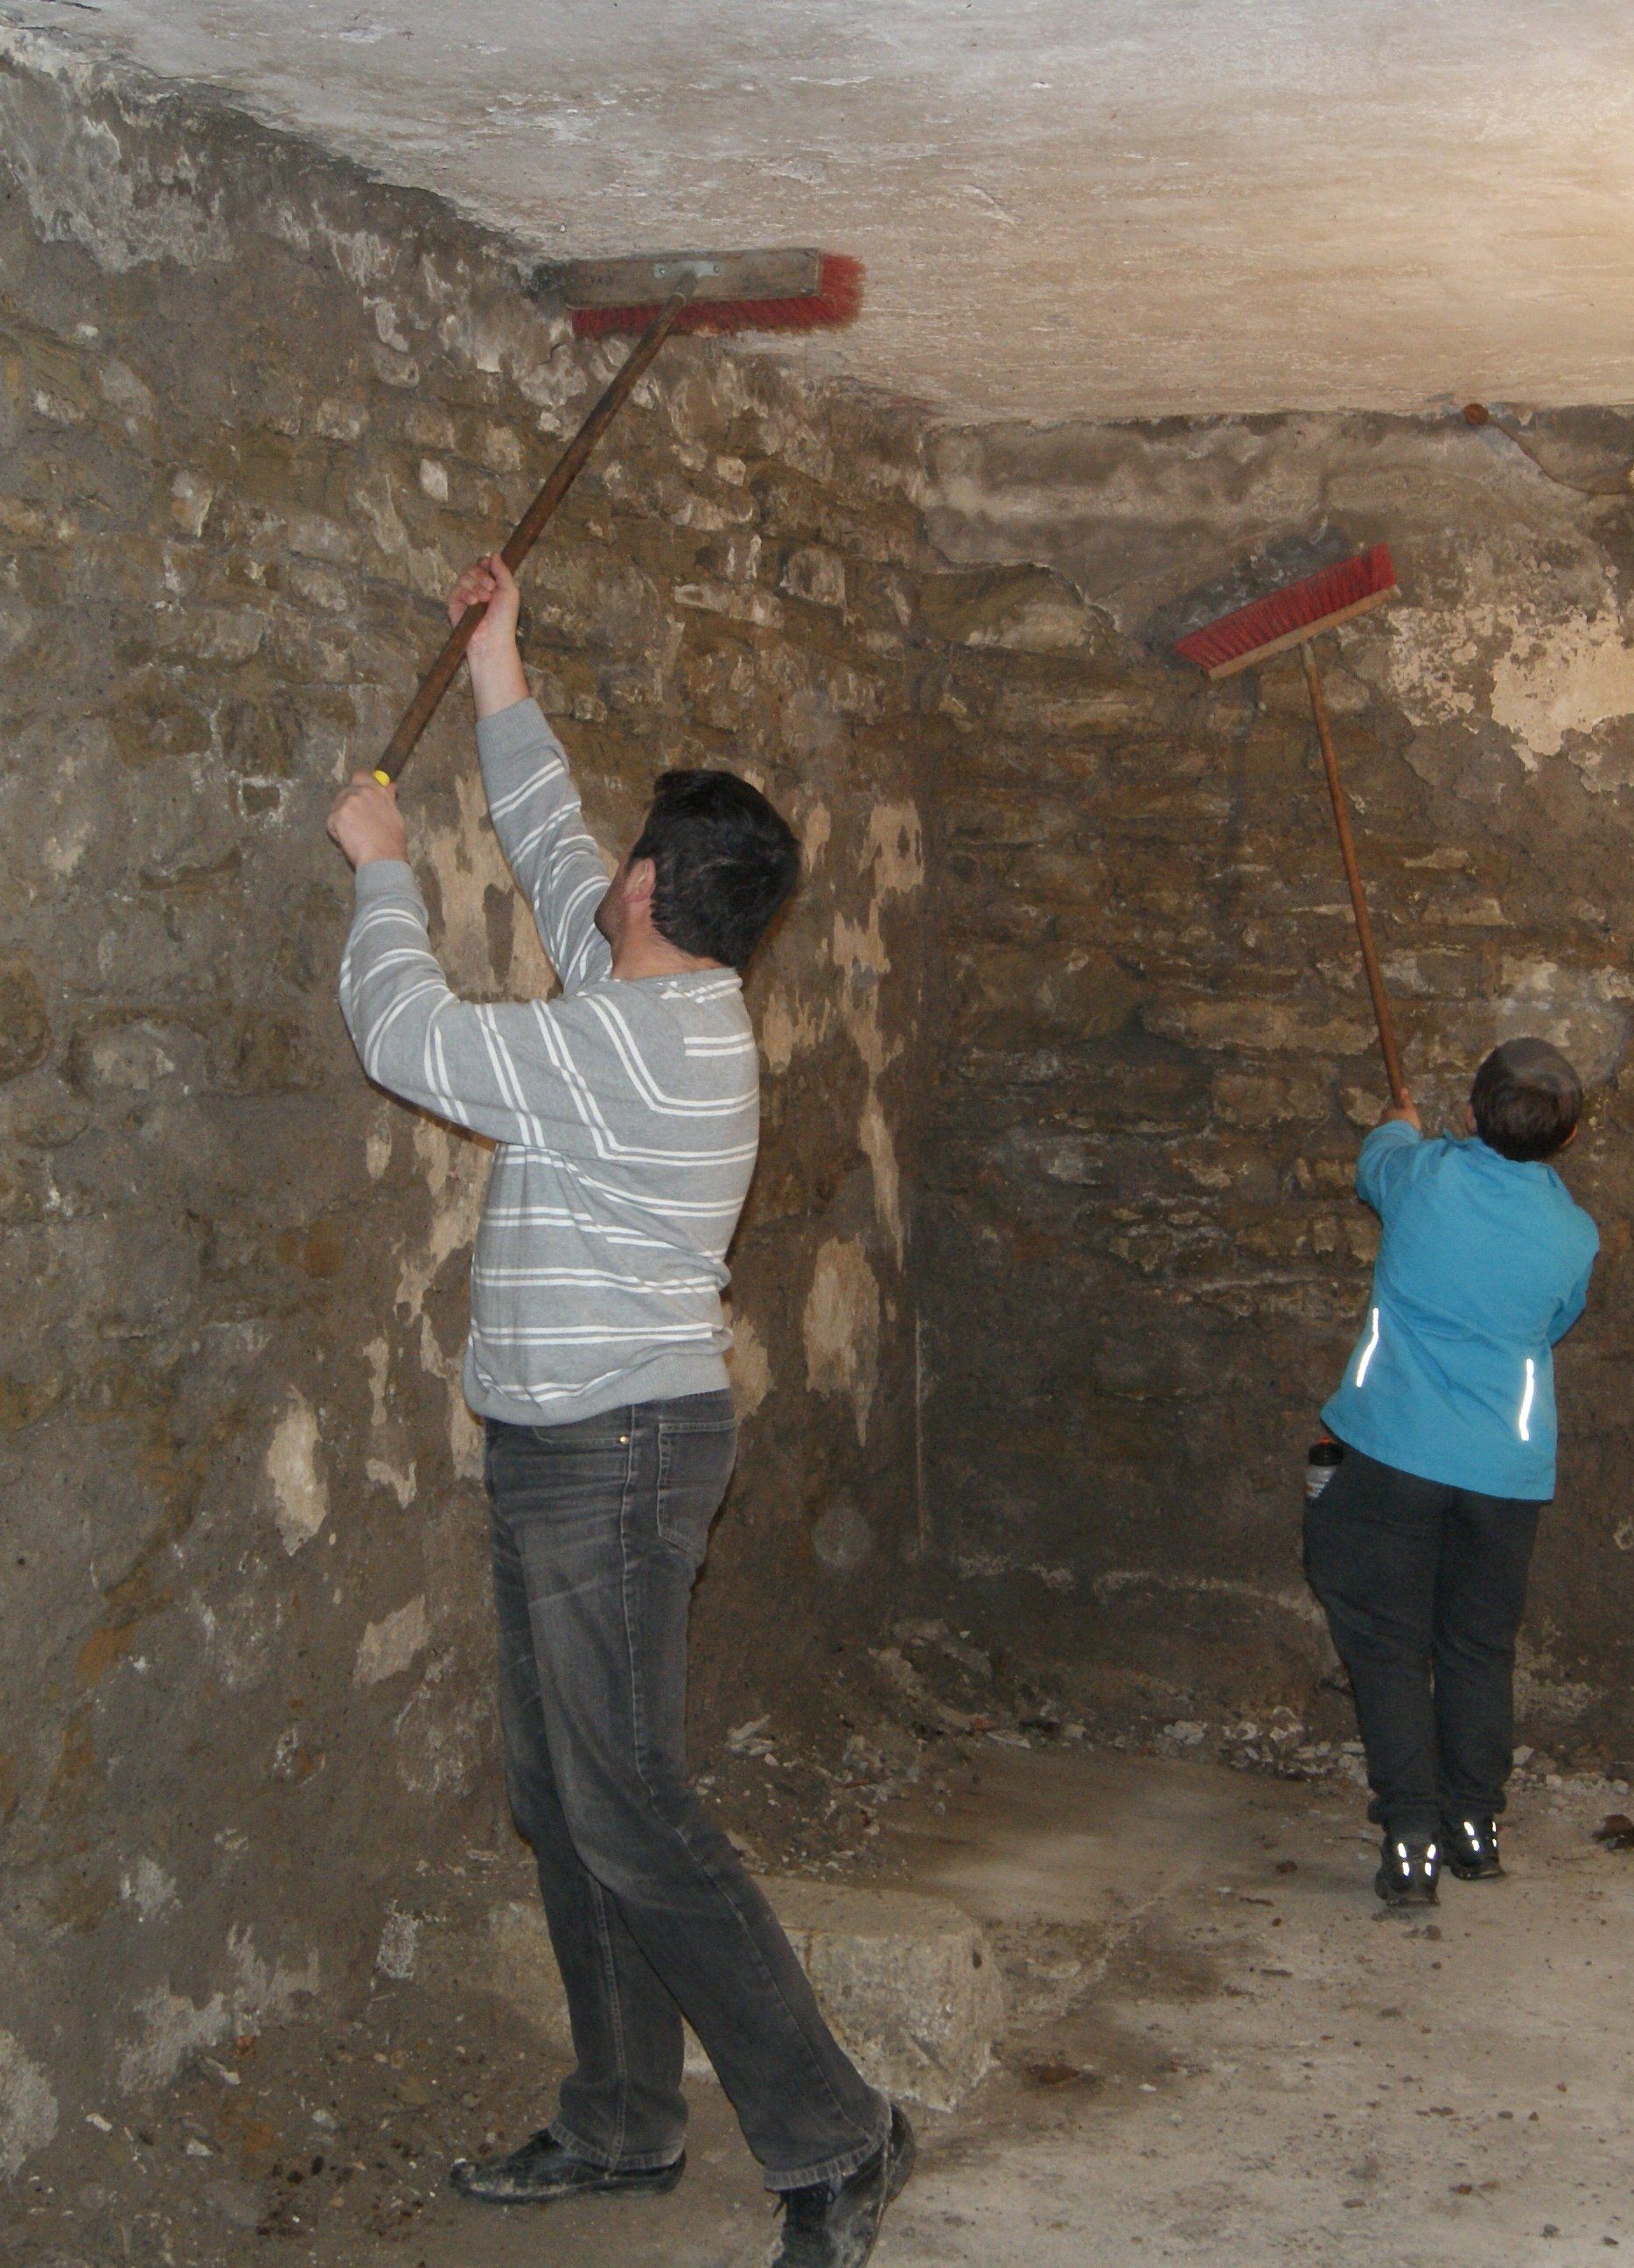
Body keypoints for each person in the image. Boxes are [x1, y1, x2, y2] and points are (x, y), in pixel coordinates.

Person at [325, 556, 911, 2268]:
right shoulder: (660, 988)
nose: (609, 873)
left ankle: (839, 2132)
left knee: (632, 1808)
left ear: (657, 892)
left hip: (614, 1454)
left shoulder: (626, 1050)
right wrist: (495, 661)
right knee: (567, 1793)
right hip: (567, 1442)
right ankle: (620, 2120)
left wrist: (379, 868)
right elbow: (550, 838)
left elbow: (407, 1036)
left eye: (629, 862)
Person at [1301, 1037, 1600, 1910]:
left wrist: (1398, 1121)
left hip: (1393, 1451)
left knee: (1388, 1644)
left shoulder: (1422, 1177)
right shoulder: (1573, 1236)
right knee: (1476, 1647)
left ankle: (1409, 1837)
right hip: (1503, 1472)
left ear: (1467, 1114)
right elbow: (1553, 1324)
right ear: (1564, 1139)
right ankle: (1474, 1826)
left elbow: (1378, 1161)